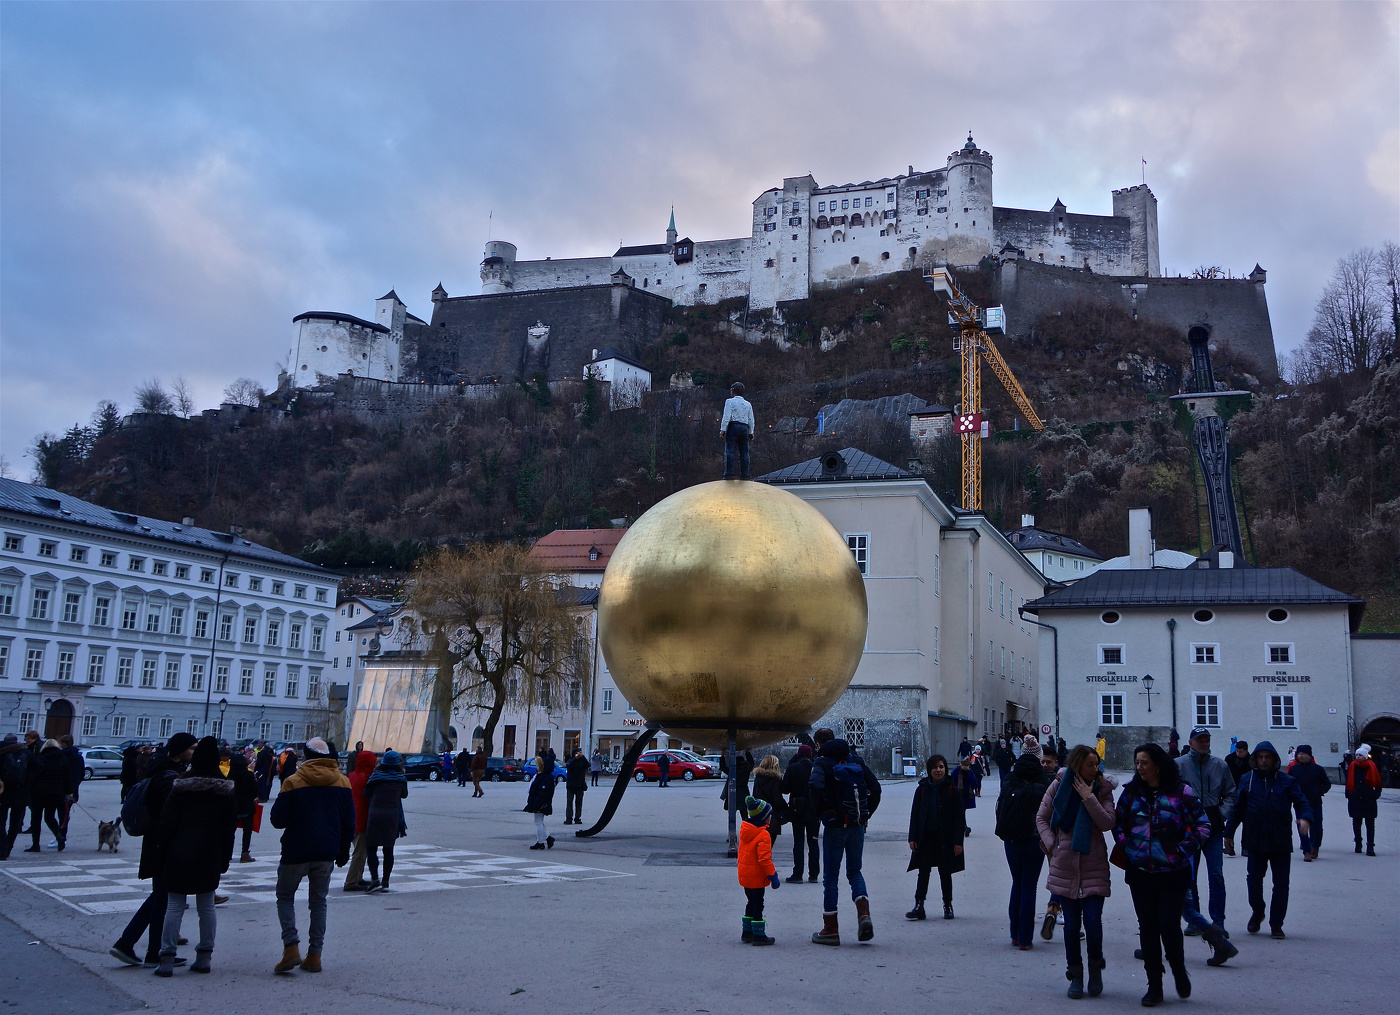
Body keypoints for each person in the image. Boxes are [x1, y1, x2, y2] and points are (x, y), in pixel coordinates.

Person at [1115, 742, 1209, 1006]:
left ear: (1157, 764)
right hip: (1140, 872)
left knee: (1168, 925)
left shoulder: (1181, 792)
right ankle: (1154, 985)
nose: (1139, 767)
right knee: (1147, 928)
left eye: (1144, 762)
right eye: (1137, 762)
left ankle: (1178, 969)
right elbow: (1118, 823)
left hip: (1172, 872)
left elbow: (1203, 825)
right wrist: (1127, 844)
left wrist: (1183, 849)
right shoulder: (1131, 793)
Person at [110, 733, 198, 968]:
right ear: (180, 750)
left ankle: (134, 945)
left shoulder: (160, 768)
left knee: (160, 895)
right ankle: (144, 949)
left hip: (156, 841)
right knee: (162, 896)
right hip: (163, 842)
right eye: (192, 748)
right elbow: (169, 815)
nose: (194, 752)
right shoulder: (169, 776)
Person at [269, 737, 354, 973]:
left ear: (305, 756)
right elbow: (349, 821)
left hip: (296, 849)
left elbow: (277, 820)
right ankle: (315, 955)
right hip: (326, 850)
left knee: (285, 897)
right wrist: (343, 850)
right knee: (318, 903)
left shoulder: (293, 781)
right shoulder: (343, 782)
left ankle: (291, 947)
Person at [153, 737, 237, 976]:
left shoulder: (181, 785)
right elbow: (229, 828)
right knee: (206, 905)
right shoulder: (225, 788)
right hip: (210, 850)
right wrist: (225, 858)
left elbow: (167, 822)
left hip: (180, 848)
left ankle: (167, 957)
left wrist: (162, 850)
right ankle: (204, 956)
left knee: (174, 905)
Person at [1037, 745, 1116, 999]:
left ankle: (1095, 968)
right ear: (1077, 765)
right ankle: (1075, 974)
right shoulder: (1059, 785)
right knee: (1071, 927)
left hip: (1093, 866)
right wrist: (1053, 844)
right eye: (1090, 765)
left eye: (1097, 764)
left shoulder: (1103, 788)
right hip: (1065, 866)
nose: (1095, 769)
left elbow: (1107, 822)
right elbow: (1042, 817)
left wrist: (1088, 797)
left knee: (1092, 923)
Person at [1223, 741, 1312, 939]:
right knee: (1253, 880)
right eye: (1260, 757)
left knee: (1281, 884)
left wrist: (1305, 818)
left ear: (1274, 759)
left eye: (1267, 757)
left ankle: (1276, 924)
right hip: (1255, 839)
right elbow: (1238, 809)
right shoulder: (1247, 779)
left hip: (1280, 840)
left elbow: (1302, 802)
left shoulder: (1286, 781)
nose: (1264, 761)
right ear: (1255, 759)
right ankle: (1258, 911)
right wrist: (1228, 833)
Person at [808, 736, 881, 945]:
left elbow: (814, 785)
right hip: (856, 825)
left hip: (835, 827)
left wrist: (823, 813)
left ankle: (830, 929)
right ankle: (864, 913)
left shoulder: (822, 762)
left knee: (831, 877)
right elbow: (876, 789)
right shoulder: (856, 761)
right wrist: (865, 815)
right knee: (855, 872)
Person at [1176, 727, 1239, 964]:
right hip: (1188, 829)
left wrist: (1220, 814)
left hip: (1213, 828)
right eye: (1199, 740)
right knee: (1188, 876)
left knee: (1216, 875)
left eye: (1207, 740)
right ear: (1191, 742)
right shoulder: (1179, 765)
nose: (1204, 744)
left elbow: (1231, 794)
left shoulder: (1220, 765)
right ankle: (1194, 919)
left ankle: (1218, 921)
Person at [996, 735, 1051, 950]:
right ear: (1039, 758)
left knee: (1016, 883)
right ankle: (1025, 938)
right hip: (1036, 839)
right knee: (1029, 886)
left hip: (1011, 838)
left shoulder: (1010, 778)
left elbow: (1000, 806)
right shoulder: (1045, 781)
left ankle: (1014, 934)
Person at [906, 754, 965, 921]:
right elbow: (915, 815)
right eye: (935, 767)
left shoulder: (952, 790)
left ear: (945, 769)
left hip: (945, 838)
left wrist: (958, 841)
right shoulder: (922, 789)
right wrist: (912, 837)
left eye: (941, 767)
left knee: (945, 872)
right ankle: (919, 905)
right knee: (923, 871)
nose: (938, 770)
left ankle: (948, 905)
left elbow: (959, 818)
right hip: (925, 837)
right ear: (929, 770)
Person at [737, 795, 781, 945]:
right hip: (756, 877)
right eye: (769, 815)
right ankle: (758, 934)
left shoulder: (746, 831)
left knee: (750, 902)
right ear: (763, 817)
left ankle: (747, 932)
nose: (771, 817)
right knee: (758, 904)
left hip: (745, 876)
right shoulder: (763, 835)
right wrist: (773, 875)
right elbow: (764, 860)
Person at [363, 751, 408, 893]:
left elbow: (366, 793)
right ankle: (385, 881)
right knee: (388, 849)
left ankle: (374, 878)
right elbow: (404, 795)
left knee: (371, 848)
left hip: (375, 815)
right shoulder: (401, 778)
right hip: (392, 816)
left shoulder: (376, 776)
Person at [781, 745, 819, 883]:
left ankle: (797, 874)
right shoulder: (816, 767)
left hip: (797, 808)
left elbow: (785, 789)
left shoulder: (793, 768)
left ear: (798, 755)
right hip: (814, 809)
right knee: (813, 842)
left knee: (798, 842)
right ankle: (813, 874)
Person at [1286, 745, 1330, 861]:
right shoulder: (1294, 769)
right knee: (1302, 827)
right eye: (1299, 754)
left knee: (1317, 827)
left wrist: (1319, 792)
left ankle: (1315, 846)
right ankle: (1306, 851)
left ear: (1310, 756)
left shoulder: (1318, 769)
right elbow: (1288, 784)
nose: (1301, 756)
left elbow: (1327, 784)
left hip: (1315, 802)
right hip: (1299, 803)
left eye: (1304, 754)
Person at [27, 739, 72, 852]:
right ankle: (59, 836)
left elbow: (32, 776)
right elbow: (68, 779)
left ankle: (35, 844)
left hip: (38, 793)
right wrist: (69, 793)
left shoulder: (40, 759)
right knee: (49, 817)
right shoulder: (63, 760)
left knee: (36, 818)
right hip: (56, 793)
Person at [342, 751, 377, 891]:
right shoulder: (368, 777)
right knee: (360, 852)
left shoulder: (352, 775)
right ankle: (351, 881)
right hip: (362, 817)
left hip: (351, 816)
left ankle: (358, 877)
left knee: (360, 850)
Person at [0, 734, 33, 860]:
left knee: (1, 822)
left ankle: (2, 848)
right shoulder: (26, 753)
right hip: (21, 792)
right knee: (15, 823)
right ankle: (8, 848)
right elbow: (39, 766)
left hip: (3, 791)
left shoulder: (2, 752)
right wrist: (27, 781)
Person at [1346, 744, 1382, 855]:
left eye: (1360, 755)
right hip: (1355, 798)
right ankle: (1358, 843)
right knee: (1356, 822)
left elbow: (1378, 782)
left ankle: (1370, 846)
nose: (1358, 757)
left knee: (1370, 823)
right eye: (1357, 755)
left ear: (1365, 756)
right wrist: (1349, 794)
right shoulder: (1352, 766)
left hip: (1368, 798)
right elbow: (1348, 782)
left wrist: (1375, 794)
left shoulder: (1371, 766)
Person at [228, 752, 260, 864]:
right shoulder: (248, 775)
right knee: (247, 831)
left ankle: (228, 853)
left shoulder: (229, 776)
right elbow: (255, 791)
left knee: (230, 831)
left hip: (232, 807)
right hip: (247, 806)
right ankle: (244, 853)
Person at [720, 381, 754, 480]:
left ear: (733, 390)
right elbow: (751, 419)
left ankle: (729, 474)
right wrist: (751, 432)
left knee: (730, 451)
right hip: (744, 427)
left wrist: (722, 429)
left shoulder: (729, 402)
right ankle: (745, 474)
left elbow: (726, 417)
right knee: (744, 453)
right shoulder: (748, 404)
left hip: (733, 426)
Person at [750, 754, 786, 842]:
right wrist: (785, 809)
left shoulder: (758, 777)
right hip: (771, 814)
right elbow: (777, 798)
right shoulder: (776, 779)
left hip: (759, 814)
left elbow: (755, 795)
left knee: (760, 844)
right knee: (769, 843)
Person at [524, 754, 556, 850]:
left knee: (538, 822)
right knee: (539, 821)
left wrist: (537, 805)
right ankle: (548, 838)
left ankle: (540, 842)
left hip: (541, 804)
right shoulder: (543, 776)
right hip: (540, 803)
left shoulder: (545, 778)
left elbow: (543, 793)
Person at [57, 734, 84, 840]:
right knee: (64, 814)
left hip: (62, 789)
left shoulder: (62, 756)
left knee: (61, 814)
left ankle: (61, 837)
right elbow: (81, 774)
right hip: (73, 790)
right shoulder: (79, 757)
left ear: (64, 744)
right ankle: (61, 835)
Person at [950, 754, 981, 835]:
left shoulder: (970, 772)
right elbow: (951, 781)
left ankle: (963, 827)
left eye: (967, 767)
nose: (966, 768)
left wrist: (967, 776)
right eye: (964, 766)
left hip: (966, 795)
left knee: (961, 811)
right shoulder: (956, 771)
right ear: (962, 765)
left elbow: (974, 782)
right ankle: (963, 827)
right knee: (959, 812)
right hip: (957, 794)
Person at [564, 748, 589, 825]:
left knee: (579, 803)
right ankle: (569, 818)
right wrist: (575, 758)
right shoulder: (570, 760)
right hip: (571, 785)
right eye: (577, 753)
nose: (578, 754)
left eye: (580, 753)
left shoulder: (582, 762)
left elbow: (587, 765)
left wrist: (583, 756)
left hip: (580, 785)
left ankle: (577, 818)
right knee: (569, 803)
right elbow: (568, 765)